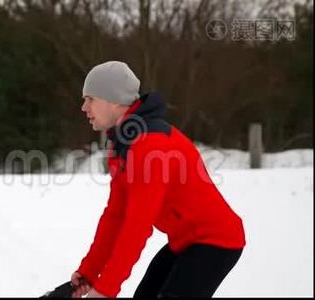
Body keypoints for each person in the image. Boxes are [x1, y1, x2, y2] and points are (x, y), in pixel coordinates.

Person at [71, 61, 246, 298]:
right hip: (184, 241)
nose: (84, 107)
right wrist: (89, 274)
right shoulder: (122, 145)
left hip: (216, 242)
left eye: (90, 99)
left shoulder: (150, 145)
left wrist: (105, 289)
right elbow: (116, 216)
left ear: (112, 100)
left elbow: (137, 225)